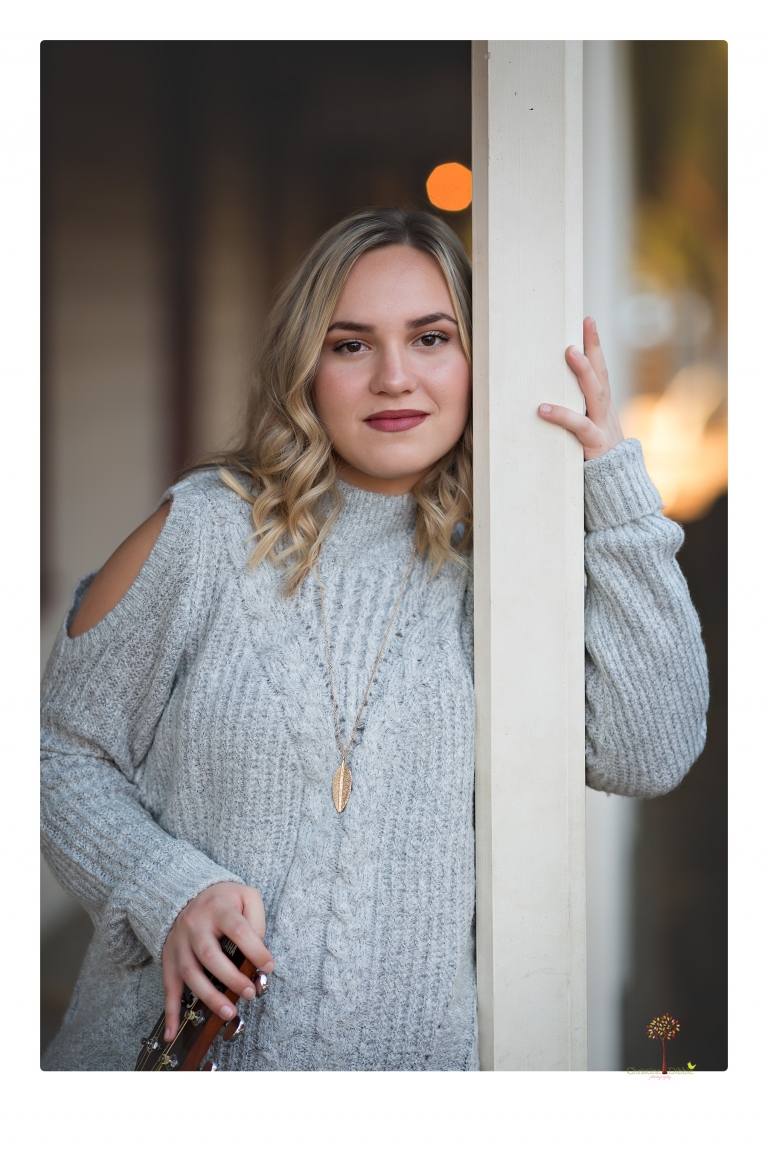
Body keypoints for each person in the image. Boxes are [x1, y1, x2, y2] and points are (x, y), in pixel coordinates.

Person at [41, 207, 708, 1071]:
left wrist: (612, 491)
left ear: (481, 360)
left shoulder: (513, 569)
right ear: (306, 367)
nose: (395, 377)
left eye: (432, 338)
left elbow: (646, 753)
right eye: (351, 345)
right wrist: (166, 889)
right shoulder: (204, 531)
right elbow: (58, 751)